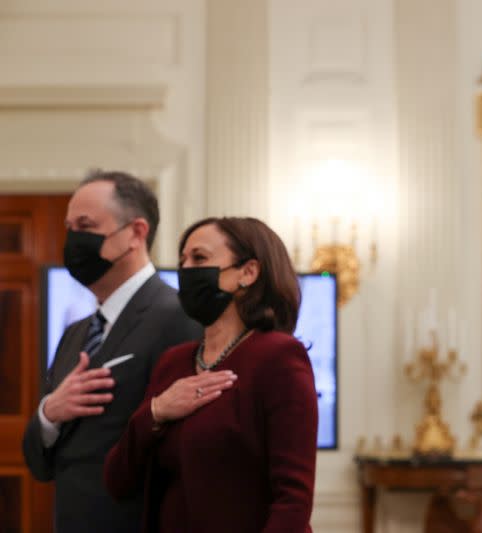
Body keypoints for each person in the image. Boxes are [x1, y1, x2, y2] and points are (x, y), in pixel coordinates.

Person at [104, 216, 318, 532]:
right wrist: (157, 411)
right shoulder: (173, 362)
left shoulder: (278, 357)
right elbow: (118, 480)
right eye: (183, 260)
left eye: (200, 258)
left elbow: (293, 500)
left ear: (248, 272)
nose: (186, 270)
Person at [22, 170, 201, 533]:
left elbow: (189, 451)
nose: (73, 239)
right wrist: (49, 413)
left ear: (136, 233)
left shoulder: (179, 316)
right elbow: (41, 464)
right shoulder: (76, 333)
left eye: (85, 225)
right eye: (70, 226)